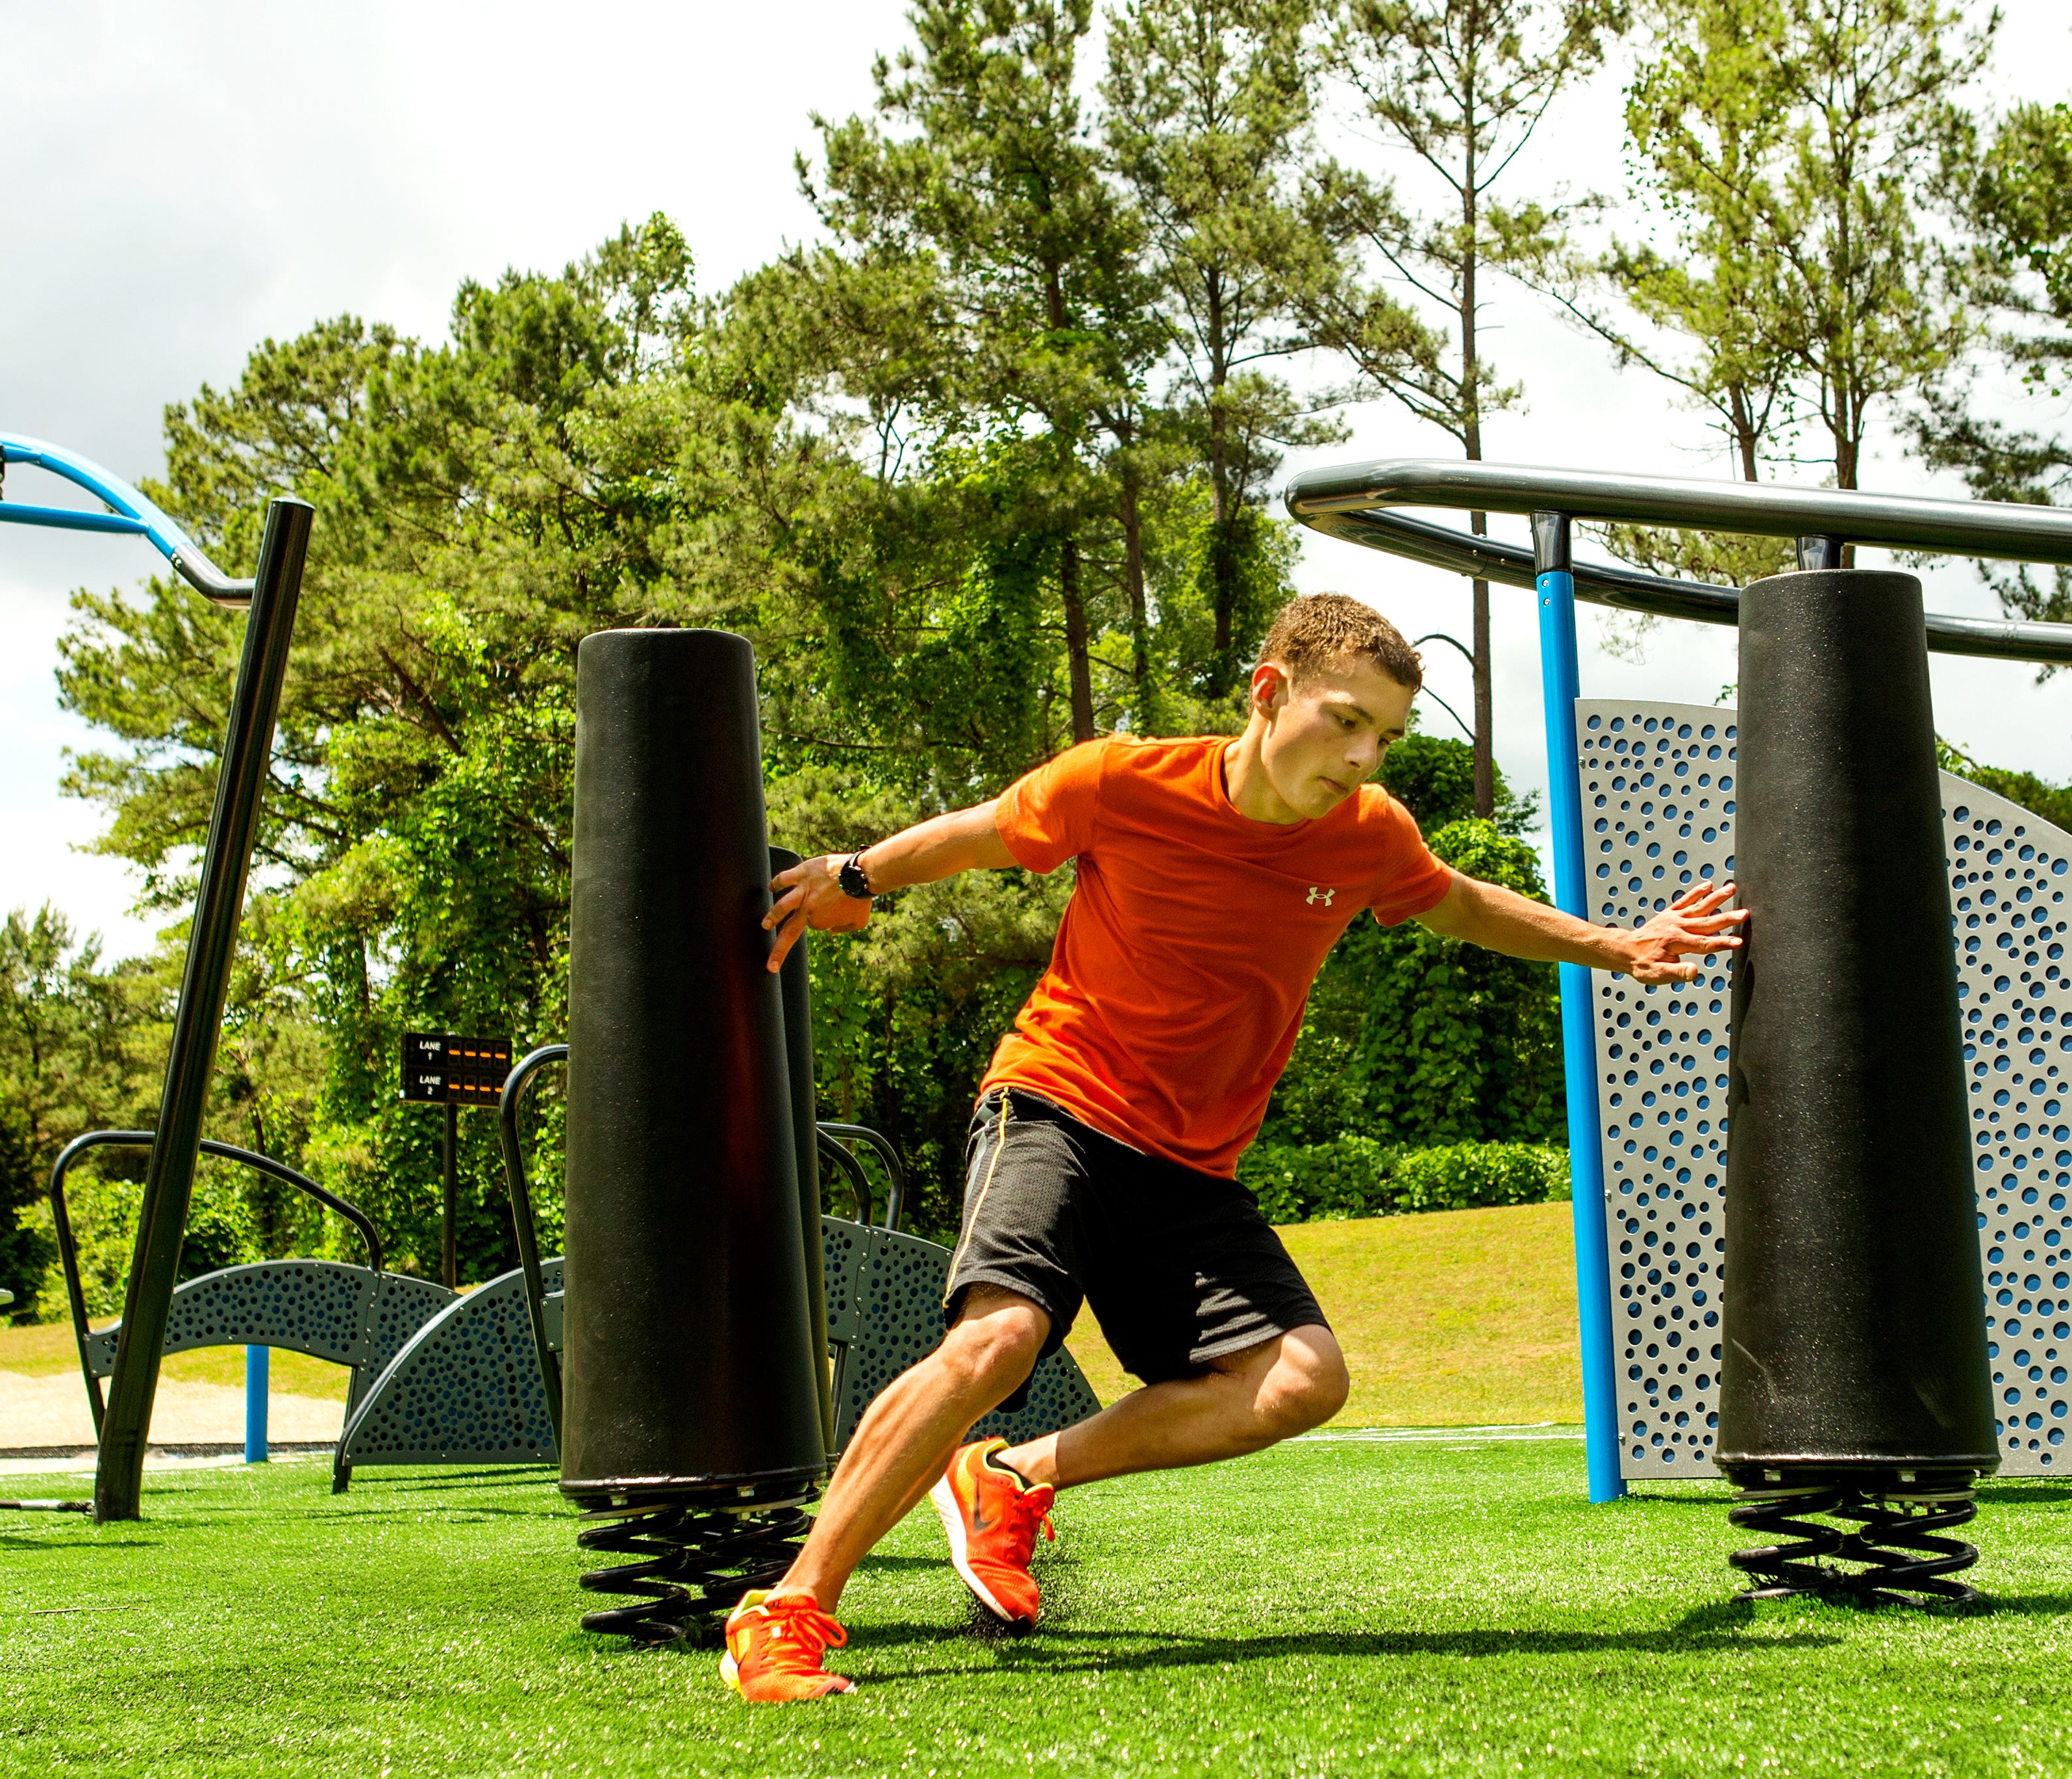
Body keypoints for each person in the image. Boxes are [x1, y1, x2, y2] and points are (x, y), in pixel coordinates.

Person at [723, 593, 1742, 1700]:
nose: (1363, 756)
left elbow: (1458, 903)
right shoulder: (1119, 780)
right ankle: (788, 1607)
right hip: (1059, 1103)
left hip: (1190, 1167)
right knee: (1002, 1338)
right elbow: (979, 833)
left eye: (1387, 737)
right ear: (1269, 693)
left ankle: (1012, 1479)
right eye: (1345, 721)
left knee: (1302, 1380)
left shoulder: (1368, 837)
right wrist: (854, 877)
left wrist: (1618, 945)